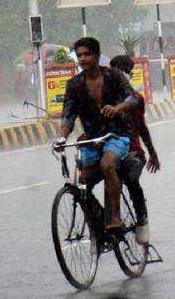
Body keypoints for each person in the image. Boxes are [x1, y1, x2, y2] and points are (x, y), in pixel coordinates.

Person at [58, 37, 138, 233]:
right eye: (80, 56)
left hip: (117, 135)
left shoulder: (114, 76)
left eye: (87, 54)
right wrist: (62, 137)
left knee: (107, 164)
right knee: (81, 185)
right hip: (92, 140)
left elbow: (132, 97)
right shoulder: (74, 85)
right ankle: (98, 222)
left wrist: (118, 107)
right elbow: (68, 113)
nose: (83, 59)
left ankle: (114, 218)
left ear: (97, 55)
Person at [110, 55, 161, 245]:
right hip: (108, 149)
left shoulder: (135, 99)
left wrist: (152, 153)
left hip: (132, 151)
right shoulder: (101, 96)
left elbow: (141, 127)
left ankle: (142, 219)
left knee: (131, 179)